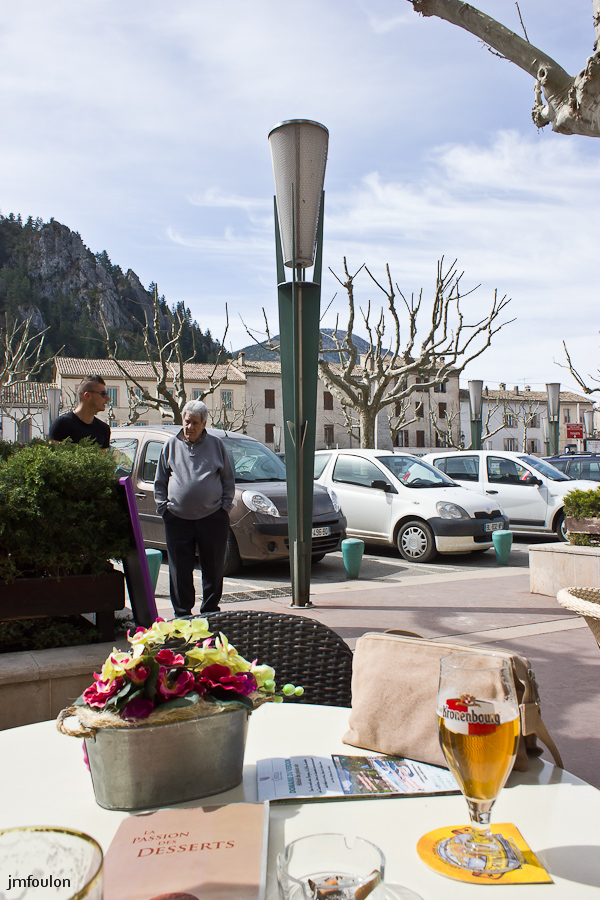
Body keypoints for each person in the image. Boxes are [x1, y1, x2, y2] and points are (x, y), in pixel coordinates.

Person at [154, 400, 235, 617]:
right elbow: (160, 481)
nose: (190, 427)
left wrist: (224, 509)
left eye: (195, 423)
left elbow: (228, 480)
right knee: (179, 570)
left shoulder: (217, 446)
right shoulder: (170, 446)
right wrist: (164, 509)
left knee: (213, 568)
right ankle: (182, 614)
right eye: (187, 421)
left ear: (204, 424)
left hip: (212, 518)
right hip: (177, 519)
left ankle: (210, 612)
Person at [48, 375, 111, 448]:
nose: (107, 398)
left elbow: (103, 458)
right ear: (87, 396)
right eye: (103, 394)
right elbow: (52, 456)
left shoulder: (104, 429)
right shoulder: (61, 424)